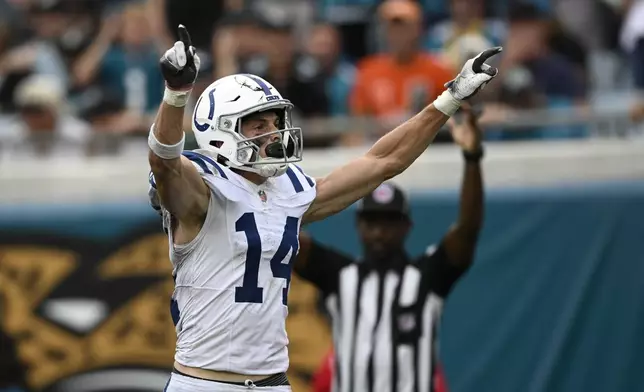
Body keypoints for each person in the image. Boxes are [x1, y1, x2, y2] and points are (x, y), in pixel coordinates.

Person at [148, 24, 500, 392]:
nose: (274, 133)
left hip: (272, 384)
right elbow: (164, 162)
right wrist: (177, 93)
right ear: (220, 132)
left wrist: (449, 99)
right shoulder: (202, 190)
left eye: (275, 122)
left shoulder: (288, 190)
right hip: (204, 383)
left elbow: (384, 161)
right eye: (258, 125)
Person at [296, 106, 485, 392]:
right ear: (358, 226)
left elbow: (468, 229)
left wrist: (472, 158)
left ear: (407, 226)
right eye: (371, 222)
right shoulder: (338, 276)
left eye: (388, 222)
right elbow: (282, 232)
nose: (379, 232)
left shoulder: (427, 277)